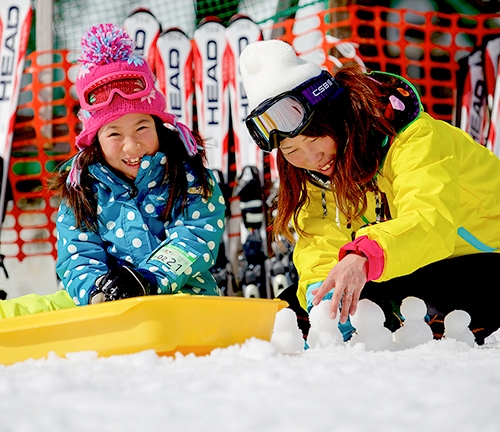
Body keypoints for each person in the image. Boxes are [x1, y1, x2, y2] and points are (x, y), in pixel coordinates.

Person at [240, 38, 500, 344]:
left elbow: (430, 222)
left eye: (315, 139)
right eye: (291, 150)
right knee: (291, 311)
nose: (311, 159)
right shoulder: (316, 172)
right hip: (410, 265)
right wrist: (320, 296)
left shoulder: (414, 138)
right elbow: (321, 240)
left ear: (336, 119)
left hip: (484, 263)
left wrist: (363, 255)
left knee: (428, 307)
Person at [0, 23, 225, 317]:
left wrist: (148, 279)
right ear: (95, 141)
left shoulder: (189, 178)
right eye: (114, 134)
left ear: (160, 126)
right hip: (106, 305)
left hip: (179, 297)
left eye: (142, 128)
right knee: (32, 311)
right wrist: (96, 291)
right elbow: (78, 254)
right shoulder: (84, 189)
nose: (131, 147)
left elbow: (194, 236)